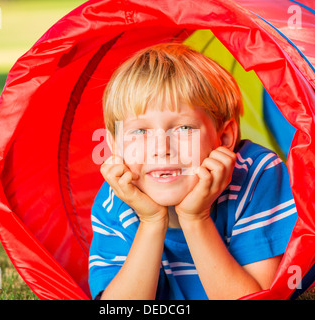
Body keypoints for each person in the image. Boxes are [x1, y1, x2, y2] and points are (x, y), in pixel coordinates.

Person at [88, 43, 297, 300]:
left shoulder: (257, 176)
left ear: (225, 137)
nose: (160, 149)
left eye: (183, 128)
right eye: (140, 131)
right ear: (114, 146)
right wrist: (151, 222)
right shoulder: (116, 200)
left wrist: (196, 218)